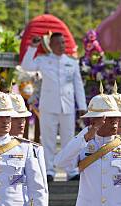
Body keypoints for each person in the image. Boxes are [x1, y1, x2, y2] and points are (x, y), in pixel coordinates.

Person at [21, 32, 87, 182]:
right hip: (49, 106)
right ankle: (49, 170)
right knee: (48, 140)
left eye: (63, 43)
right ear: (51, 45)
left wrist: (82, 106)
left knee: (69, 140)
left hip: (68, 107)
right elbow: (26, 66)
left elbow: (78, 85)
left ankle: (71, 171)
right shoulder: (43, 60)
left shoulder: (72, 62)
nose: (62, 46)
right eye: (58, 43)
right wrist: (32, 47)